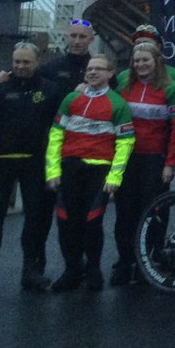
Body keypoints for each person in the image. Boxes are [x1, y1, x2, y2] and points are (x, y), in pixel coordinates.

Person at [0, 42, 63, 296]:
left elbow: (59, 130)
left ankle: (30, 270)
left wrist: (54, 167)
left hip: (36, 163)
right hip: (1, 163)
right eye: (17, 62)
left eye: (26, 62)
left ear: (37, 63)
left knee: (35, 217)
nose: (21, 66)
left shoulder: (50, 90)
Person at [45, 54, 135, 292]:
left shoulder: (118, 104)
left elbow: (125, 144)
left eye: (98, 69)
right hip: (69, 169)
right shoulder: (71, 99)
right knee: (66, 221)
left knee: (92, 222)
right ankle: (72, 269)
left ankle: (93, 268)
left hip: (99, 171)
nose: (92, 72)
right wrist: (52, 171)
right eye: (89, 69)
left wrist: (115, 177)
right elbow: (56, 136)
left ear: (110, 73)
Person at [111, 41, 175, 286]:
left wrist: (171, 163)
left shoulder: (171, 89)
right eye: (137, 60)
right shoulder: (124, 85)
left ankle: (149, 261)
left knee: (153, 213)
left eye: (146, 60)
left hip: (155, 159)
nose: (141, 64)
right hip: (127, 158)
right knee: (125, 213)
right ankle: (125, 261)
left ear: (157, 62)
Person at [38, 18, 95, 98]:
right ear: (66, 37)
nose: (77, 41)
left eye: (82, 37)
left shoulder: (99, 69)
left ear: (91, 39)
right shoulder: (51, 67)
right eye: (73, 36)